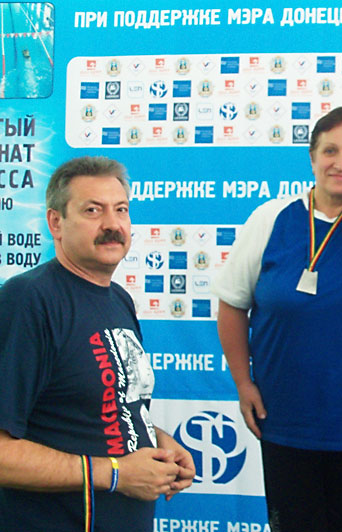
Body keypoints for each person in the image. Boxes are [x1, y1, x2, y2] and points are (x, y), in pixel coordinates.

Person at [213, 106, 342, 532]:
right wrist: (243, 383)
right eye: (330, 151)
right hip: (284, 417)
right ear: (312, 157)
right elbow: (232, 305)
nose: (341, 163)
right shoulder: (270, 218)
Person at [0, 156, 195, 532]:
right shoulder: (28, 300)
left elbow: (103, 410)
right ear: (56, 222)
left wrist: (157, 441)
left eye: (121, 210)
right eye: (93, 210)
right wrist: (116, 473)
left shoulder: (118, 299)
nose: (112, 224)